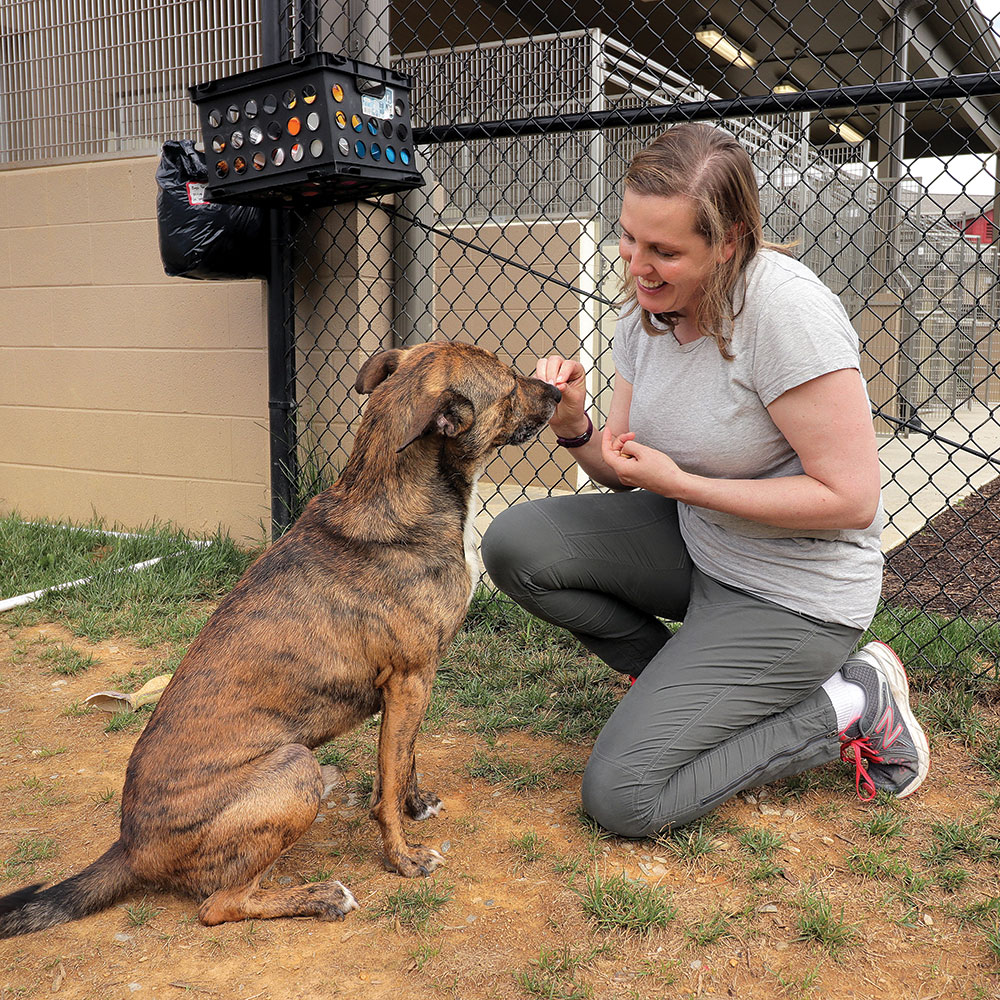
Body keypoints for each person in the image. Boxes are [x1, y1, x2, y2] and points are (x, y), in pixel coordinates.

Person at [481, 123, 930, 838]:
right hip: (703, 548)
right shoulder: (647, 313)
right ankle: (679, 691)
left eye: (665, 251)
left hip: (795, 594)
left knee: (624, 798)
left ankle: (852, 702)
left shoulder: (784, 313)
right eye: (629, 238)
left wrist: (684, 485)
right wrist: (575, 424)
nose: (638, 266)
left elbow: (851, 499)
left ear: (730, 240)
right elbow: (622, 470)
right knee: (516, 545)